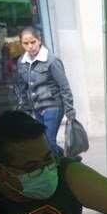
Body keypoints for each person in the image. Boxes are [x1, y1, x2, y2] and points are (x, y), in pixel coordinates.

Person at [16, 27, 75, 156]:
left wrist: (70, 111)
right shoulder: (21, 62)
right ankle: (68, 159)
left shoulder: (51, 60)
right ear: (21, 44)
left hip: (53, 106)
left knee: (48, 141)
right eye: (26, 43)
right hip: (36, 108)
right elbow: (22, 88)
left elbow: (64, 86)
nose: (30, 46)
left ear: (39, 40)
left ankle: (57, 165)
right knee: (44, 142)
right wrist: (25, 110)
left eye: (33, 42)